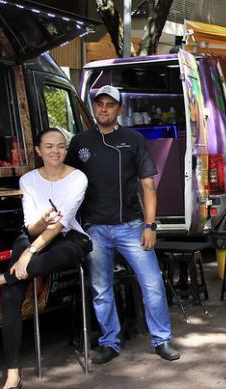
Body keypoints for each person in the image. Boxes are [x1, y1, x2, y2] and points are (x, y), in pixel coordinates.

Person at [0, 128, 90, 389]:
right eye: (49, 146)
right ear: (38, 150)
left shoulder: (78, 178)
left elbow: (61, 226)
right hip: (35, 235)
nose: (55, 151)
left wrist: (29, 252)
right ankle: (13, 371)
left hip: (69, 238)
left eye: (60, 146)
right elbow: (32, 227)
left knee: (30, 265)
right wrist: (40, 223)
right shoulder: (28, 180)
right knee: (13, 294)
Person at [66, 85, 180, 364]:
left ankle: (161, 340)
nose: (103, 109)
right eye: (99, 104)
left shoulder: (133, 140)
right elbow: (66, 180)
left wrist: (150, 225)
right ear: (94, 107)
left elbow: (148, 185)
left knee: (152, 283)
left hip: (131, 226)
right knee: (101, 288)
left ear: (120, 109)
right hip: (94, 228)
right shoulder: (80, 142)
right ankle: (109, 341)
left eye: (110, 104)